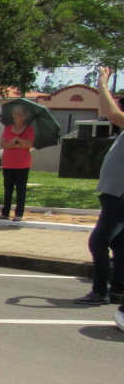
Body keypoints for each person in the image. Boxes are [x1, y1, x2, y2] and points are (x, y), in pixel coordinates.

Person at [75, 66, 124, 313]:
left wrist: (103, 82)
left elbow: (111, 112)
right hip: (115, 194)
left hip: (120, 197)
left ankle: (100, 291)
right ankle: (117, 288)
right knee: (118, 242)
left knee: (99, 240)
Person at [0, 105, 34, 221]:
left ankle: (18, 213)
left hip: (23, 163)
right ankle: (5, 212)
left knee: (20, 189)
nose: (16, 116)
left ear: (24, 116)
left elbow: (29, 144)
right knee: (8, 188)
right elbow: (3, 144)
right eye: (15, 114)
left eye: (19, 114)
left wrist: (18, 140)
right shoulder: (8, 128)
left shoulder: (29, 129)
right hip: (8, 162)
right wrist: (16, 144)